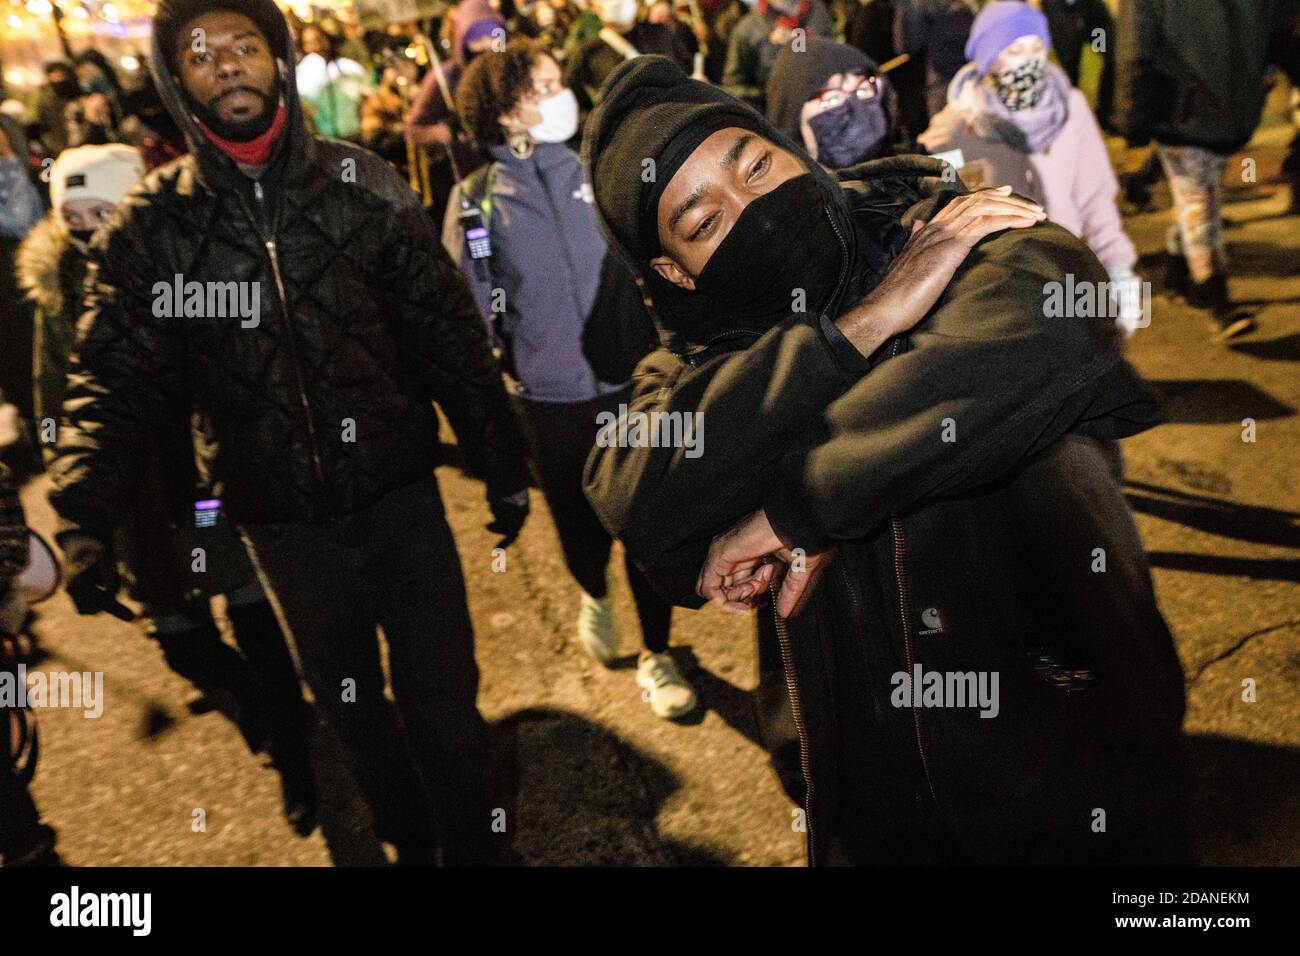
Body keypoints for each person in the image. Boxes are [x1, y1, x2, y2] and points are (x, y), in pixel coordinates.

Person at [581, 55, 1187, 865]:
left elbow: (1048, 325)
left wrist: (787, 511)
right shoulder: (694, 359)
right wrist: (857, 330)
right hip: (865, 806)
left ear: (791, 150)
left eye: (755, 165)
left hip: (1067, 783)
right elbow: (629, 491)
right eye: (703, 223)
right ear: (672, 270)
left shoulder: (946, 223)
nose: (752, 206)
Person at [48, 0, 531, 866]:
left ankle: (475, 845)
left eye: (244, 45)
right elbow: (111, 374)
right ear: (176, 80)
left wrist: (501, 461)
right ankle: (408, 839)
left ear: (278, 59)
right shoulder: (156, 227)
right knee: (350, 709)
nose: (227, 64)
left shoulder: (362, 183)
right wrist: (82, 515)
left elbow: (446, 333)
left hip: (401, 505)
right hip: (283, 527)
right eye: (202, 55)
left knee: (444, 702)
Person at [18, 143, 318, 835]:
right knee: (181, 640)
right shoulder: (59, 297)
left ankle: (296, 756)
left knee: (250, 617)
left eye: (105, 210)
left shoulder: (184, 271)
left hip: (205, 485)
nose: (90, 228)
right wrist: (79, 516)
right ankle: (253, 702)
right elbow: (55, 407)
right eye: (75, 214)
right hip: (133, 503)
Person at [447, 40, 693, 718]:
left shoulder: (601, 168)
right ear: (505, 113)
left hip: (633, 384)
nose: (565, 95)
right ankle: (592, 590)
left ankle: (658, 654)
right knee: (581, 533)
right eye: (545, 86)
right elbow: (472, 311)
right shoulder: (474, 206)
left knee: (647, 527)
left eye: (561, 81)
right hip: (550, 403)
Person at [919, 2, 1143, 336]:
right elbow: (943, 217)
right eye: (1014, 49)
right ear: (988, 57)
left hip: (1067, 273)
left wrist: (1120, 274)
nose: (1028, 60)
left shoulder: (1070, 110)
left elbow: (1095, 201)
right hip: (997, 292)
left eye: (1036, 48)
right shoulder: (951, 132)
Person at [1114, 0, 1275, 340]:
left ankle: (1176, 275)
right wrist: (1134, 114)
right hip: (1182, 111)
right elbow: (1134, 45)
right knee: (1199, 204)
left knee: (1196, 199)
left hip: (1218, 110)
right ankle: (1217, 299)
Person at [766, 36, 904, 171]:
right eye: (832, 99)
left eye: (863, 89)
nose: (857, 109)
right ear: (791, 117)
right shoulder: (788, 192)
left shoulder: (907, 175)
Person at [566, 0, 693, 114]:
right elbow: (574, 92)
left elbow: (687, 67)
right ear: (593, 6)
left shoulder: (661, 32)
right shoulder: (587, 52)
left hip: (680, 113)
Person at [721, 0, 835, 108]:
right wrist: (771, 96)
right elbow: (733, 87)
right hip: (773, 118)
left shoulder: (819, 15)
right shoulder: (746, 30)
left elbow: (835, 62)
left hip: (822, 108)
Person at [892, 0, 976, 119]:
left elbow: (906, 45)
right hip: (968, 75)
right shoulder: (961, 8)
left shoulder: (917, 6)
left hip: (940, 80)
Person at [295, 23, 373, 140]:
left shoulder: (349, 67)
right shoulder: (301, 74)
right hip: (323, 140)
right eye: (309, 43)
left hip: (354, 135)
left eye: (319, 39)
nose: (316, 46)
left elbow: (367, 97)